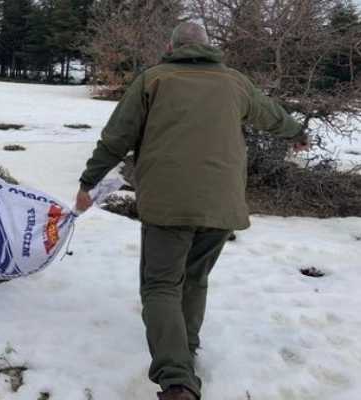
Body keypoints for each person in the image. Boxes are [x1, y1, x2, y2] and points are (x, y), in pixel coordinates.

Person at [75, 22, 309, 400]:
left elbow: (117, 136)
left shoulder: (153, 79)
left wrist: (89, 181)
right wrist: (296, 133)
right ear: (208, 47)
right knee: (195, 277)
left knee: (161, 284)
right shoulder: (236, 82)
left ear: (170, 46)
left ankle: (177, 378)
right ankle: (186, 349)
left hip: (168, 204)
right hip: (221, 204)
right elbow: (271, 115)